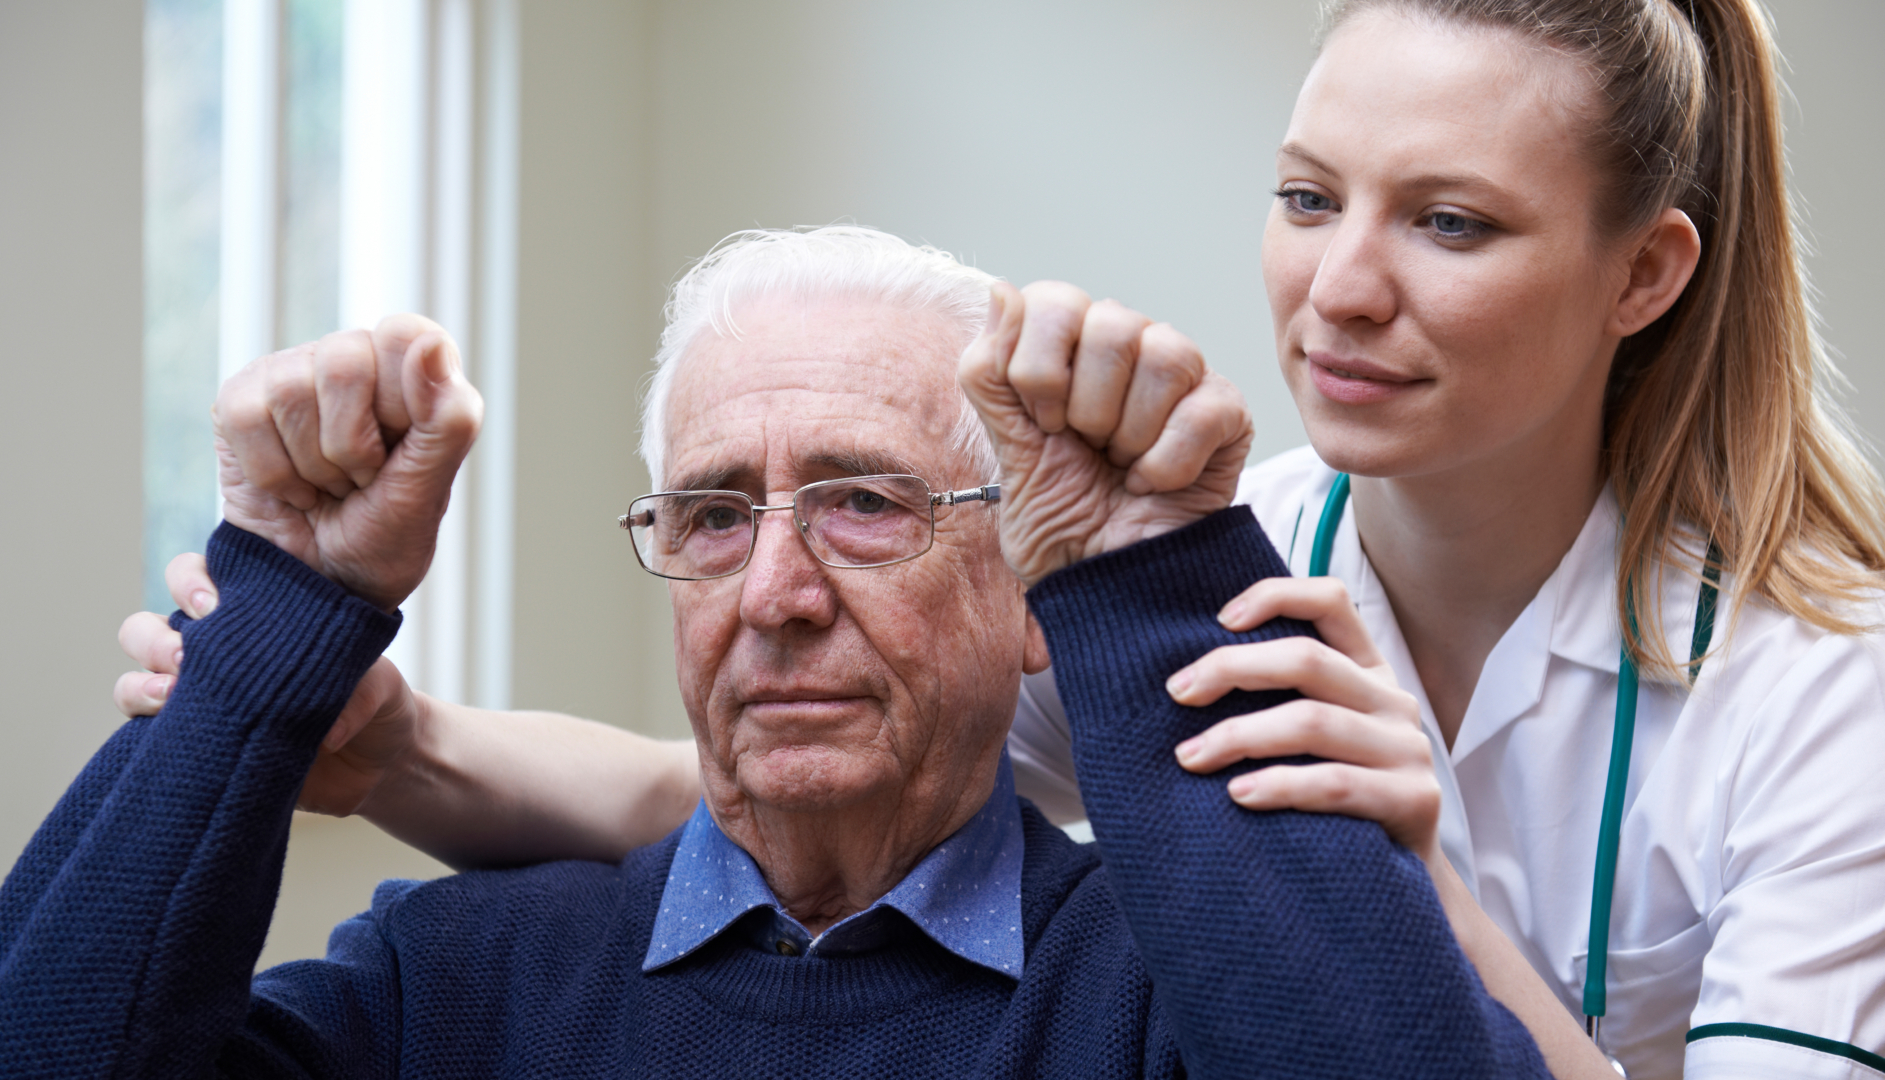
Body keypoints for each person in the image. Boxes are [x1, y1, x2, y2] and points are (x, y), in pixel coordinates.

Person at [118, 0, 1885, 1076]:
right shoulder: (1225, 552)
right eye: (1303, 197)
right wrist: (384, 743)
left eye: (1450, 221)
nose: (1341, 289)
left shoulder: (1826, 690)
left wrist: (1391, 868)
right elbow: (770, 768)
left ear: (1647, 272)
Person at [0, 228, 1551, 1078]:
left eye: (866, 504)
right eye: (713, 516)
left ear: (1023, 585)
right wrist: (280, 614)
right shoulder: (448, 988)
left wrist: (1148, 585)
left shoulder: (1165, 997)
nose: (775, 591)